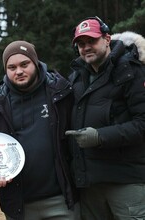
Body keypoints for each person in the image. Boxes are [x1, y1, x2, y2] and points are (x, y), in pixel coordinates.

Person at [0, 40, 79, 220]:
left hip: (61, 200)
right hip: (20, 205)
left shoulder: (60, 91)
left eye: (24, 64)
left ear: (36, 62)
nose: (19, 71)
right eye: (12, 67)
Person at [65, 16, 145, 220]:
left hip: (126, 181)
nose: (86, 48)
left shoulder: (133, 71)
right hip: (90, 185)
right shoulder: (76, 77)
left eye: (91, 41)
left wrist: (101, 137)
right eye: (81, 44)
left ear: (107, 38)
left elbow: (142, 123)